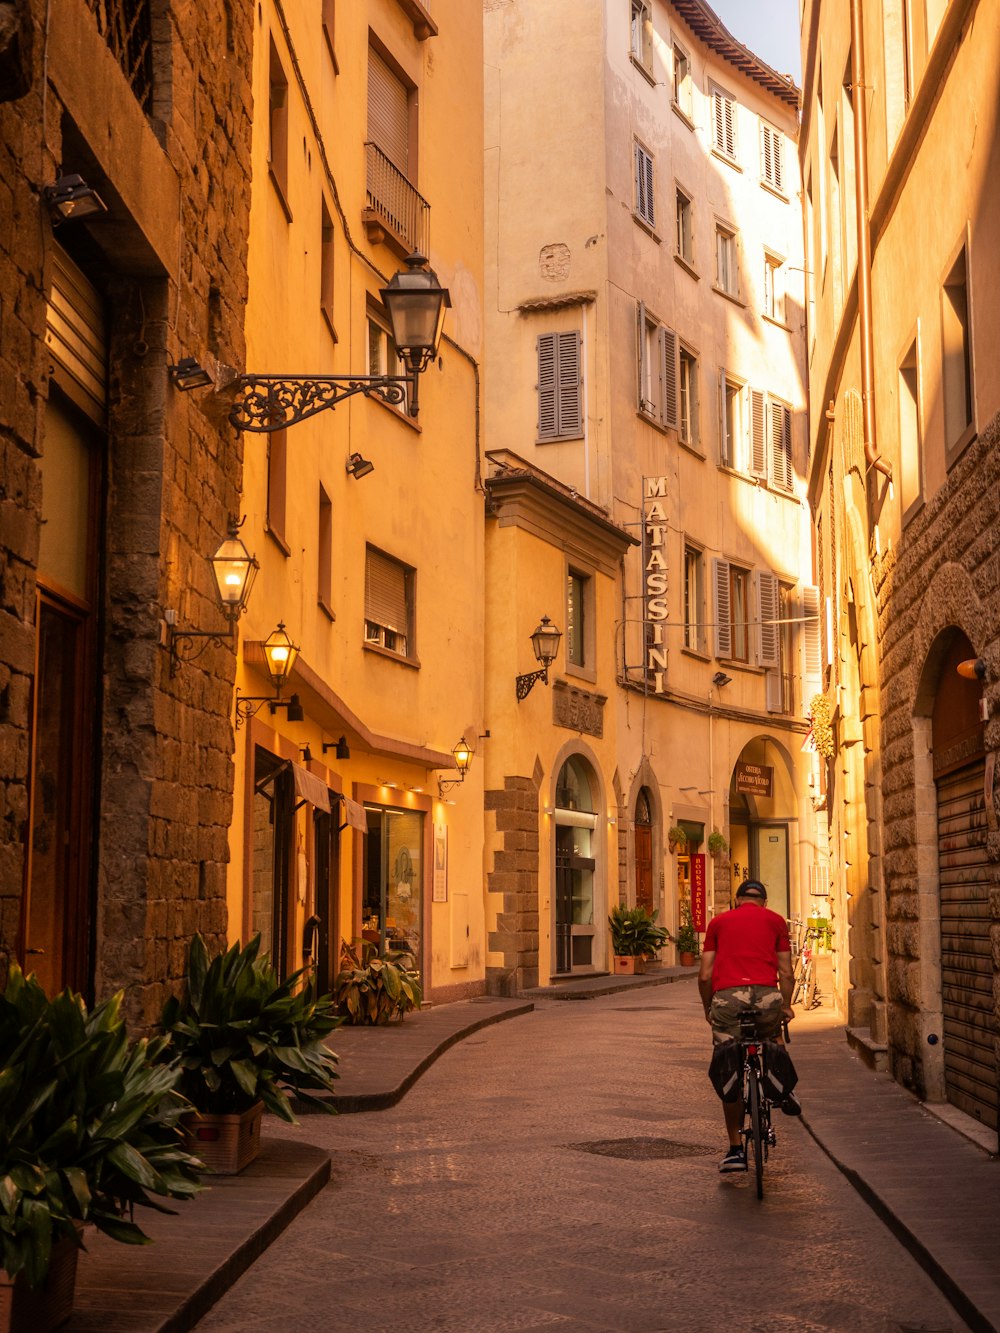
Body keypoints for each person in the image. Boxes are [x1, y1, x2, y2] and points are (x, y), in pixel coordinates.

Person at [698, 878, 799, 1174]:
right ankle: (783, 1088)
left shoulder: (718, 923)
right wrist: (786, 1005)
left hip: (727, 1000)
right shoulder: (776, 921)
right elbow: (786, 971)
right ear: (764, 903)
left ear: (737, 900)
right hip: (766, 996)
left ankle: (734, 1151)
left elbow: (705, 975)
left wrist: (708, 1008)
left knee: (729, 1069)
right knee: (773, 1034)